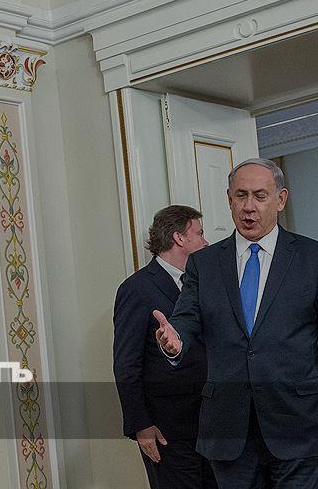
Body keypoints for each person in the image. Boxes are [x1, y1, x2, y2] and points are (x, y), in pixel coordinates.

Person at [154, 158, 318, 489]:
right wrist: (174, 342)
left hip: (300, 424)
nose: (249, 206)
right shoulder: (203, 264)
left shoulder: (314, 257)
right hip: (229, 430)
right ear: (229, 200)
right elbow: (185, 320)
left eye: (260, 195)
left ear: (280, 199)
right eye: (241, 195)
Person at [113, 205, 217, 489]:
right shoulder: (136, 289)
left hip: (212, 425)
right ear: (179, 238)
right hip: (167, 430)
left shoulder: (205, 283)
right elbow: (126, 364)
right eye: (200, 233)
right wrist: (140, 425)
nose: (206, 241)